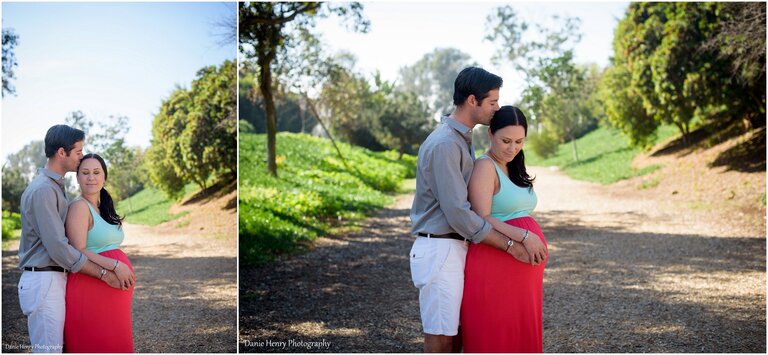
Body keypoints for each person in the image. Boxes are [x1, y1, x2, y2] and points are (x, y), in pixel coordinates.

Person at [409, 67, 548, 353]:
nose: (497, 108)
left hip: (455, 247)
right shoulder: (446, 143)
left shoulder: (461, 139)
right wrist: (512, 243)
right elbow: (459, 213)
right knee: (441, 336)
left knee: (457, 333)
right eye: (493, 102)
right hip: (441, 247)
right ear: (473, 100)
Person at [17, 125, 125, 353]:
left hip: (52, 279)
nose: (81, 157)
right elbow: (58, 247)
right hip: (44, 280)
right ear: (61, 152)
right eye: (78, 151)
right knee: (49, 351)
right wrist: (105, 274)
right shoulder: (44, 190)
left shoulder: (53, 187)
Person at [461, 106, 547, 352]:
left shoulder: (514, 165)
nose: (512, 148)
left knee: (520, 327)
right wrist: (525, 236)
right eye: (506, 141)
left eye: (519, 141)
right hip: (496, 258)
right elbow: (482, 216)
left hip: (523, 268)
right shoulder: (485, 167)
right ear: (490, 134)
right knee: (497, 329)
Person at [63, 153, 135, 352]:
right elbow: (78, 249)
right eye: (85, 173)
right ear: (77, 178)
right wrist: (115, 265)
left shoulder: (104, 206)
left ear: (104, 177)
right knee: (95, 342)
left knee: (115, 342)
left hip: (114, 291)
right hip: (91, 284)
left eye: (96, 172)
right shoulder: (79, 207)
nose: (91, 177)